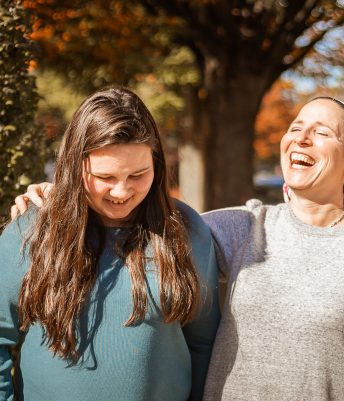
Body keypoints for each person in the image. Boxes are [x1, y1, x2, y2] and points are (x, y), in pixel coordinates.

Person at [10, 97, 344, 400]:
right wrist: (54, 197)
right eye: (296, 126)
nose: (300, 137)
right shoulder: (241, 226)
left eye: (321, 132)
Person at [0, 86, 220, 401]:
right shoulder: (31, 230)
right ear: (76, 167)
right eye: (105, 178)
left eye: (138, 175)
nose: (121, 192)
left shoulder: (187, 230)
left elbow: (203, 344)